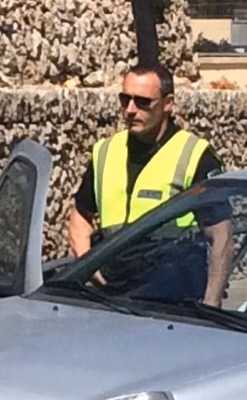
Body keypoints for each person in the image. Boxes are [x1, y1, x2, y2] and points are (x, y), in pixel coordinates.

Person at [66, 63, 233, 307]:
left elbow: (222, 237)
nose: (131, 110)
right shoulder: (105, 151)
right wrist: (88, 266)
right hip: (112, 293)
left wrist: (211, 304)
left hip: (172, 298)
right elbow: (81, 214)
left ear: (168, 103)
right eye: (125, 99)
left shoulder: (195, 155)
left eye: (143, 102)